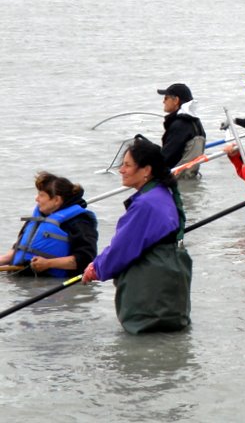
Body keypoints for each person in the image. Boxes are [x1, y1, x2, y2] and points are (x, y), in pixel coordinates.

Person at [82, 136, 192, 335]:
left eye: (127, 165)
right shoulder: (163, 193)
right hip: (173, 295)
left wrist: (96, 268)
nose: (121, 170)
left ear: (146, 170)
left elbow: (122, 249)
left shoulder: (145, 204)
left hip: (149, 299)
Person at [0, 171, 98, 278]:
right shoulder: (37, 220)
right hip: (21, 282)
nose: (36, 199)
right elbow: (14, 253)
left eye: (41, 195)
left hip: (55, 287)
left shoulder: (79, 223)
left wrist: (48, 263)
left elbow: (85, 260)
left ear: (56, 200)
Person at [157, 83, 206, 179]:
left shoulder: (180, 125)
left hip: (176, 179)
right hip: (191, 176)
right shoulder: (196, 122)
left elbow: (166, 158)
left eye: (166, 98)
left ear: (176, 100)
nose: (163, 101)